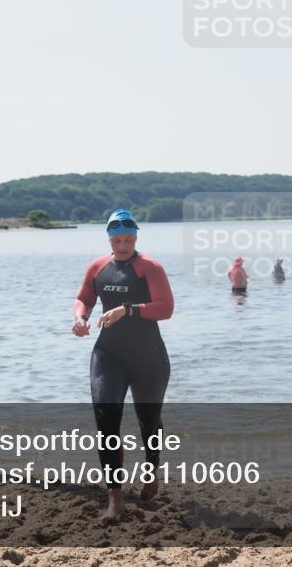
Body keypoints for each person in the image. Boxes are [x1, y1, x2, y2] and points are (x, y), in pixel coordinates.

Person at [72, 209, 174, 522]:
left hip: (148, 355)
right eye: (118, 238)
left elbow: (166, 308)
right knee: (106, 421)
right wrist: (80, 318)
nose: (124, 243)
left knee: (149, 419)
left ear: (136, 237)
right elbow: (84, 298)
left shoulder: (150, 267)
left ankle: (151, 468)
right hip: (108, 354)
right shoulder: (98, 266)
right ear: (109, 237)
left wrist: (127, 310)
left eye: (129, 238)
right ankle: (115, 500)